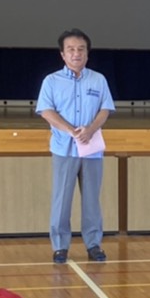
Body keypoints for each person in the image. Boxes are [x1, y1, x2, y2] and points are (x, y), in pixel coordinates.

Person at [36, 28, 115, 264]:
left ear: (87, 53)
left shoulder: (98, 79)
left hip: (91, 148)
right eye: (70, 49)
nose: (76, 53)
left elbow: (105, 109)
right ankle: (60, 246)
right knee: (61, 199)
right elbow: (46, 111)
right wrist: (71, 130)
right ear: (62, 54)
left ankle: (93, 244)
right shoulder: (51, 81)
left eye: (81, 49)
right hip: (64, 148)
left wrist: (90, 129)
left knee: (92, 200)